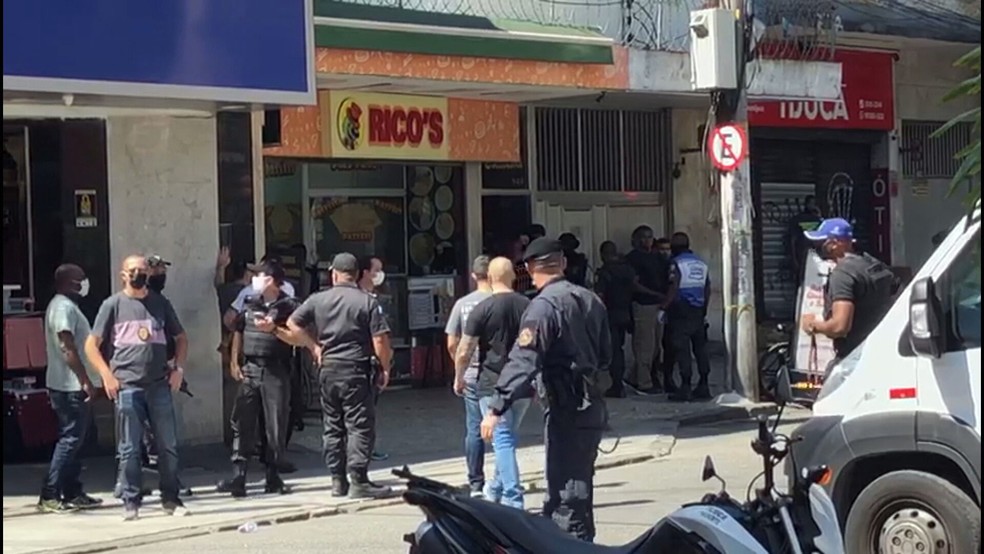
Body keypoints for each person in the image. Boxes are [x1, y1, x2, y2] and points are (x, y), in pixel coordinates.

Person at [482, 237, 611, 542]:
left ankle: (572, 547)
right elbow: (608, 354)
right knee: (578, 484)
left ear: (528, 268)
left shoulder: (543, 307)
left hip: (567, 405)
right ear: (563, 264)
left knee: (566, 493)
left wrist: (496, 406)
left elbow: (524, 360)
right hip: (592, 404)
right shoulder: (590, 299)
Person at [84, 255, 189, 521]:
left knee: (168, 445)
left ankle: (171, 498)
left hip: (159, 385)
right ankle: (131, 501)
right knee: (129, 448)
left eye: (143, 270)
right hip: (127, 386)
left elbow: (181, 338)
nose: (139, 274)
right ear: (123, 275)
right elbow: (91, 345)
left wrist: (178, 369)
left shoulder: (159, 303)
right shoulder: (113, 305)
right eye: (133, 270)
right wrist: (106, 375)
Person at [284, 253, 393, 499]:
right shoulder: (367, 302)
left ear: (333, 274)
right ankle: (358, 480)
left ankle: (337, 480)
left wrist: (314, 347)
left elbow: (292, 322)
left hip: (328, 369)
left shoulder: (318, 299)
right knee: (358, 426)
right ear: (356, 275)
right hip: (356, 368)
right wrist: (385, 367)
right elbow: (379, 340)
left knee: (333, 426)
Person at [454, 257, 532, 509]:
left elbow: (464, 349)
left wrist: (459, 377)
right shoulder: (528, 306)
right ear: (512, 276)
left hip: (491, 382)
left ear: (489, 276)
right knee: (507, 437)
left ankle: (513, 498)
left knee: (503, 439)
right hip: (521, 383)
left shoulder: (483, 308)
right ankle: (495, 488)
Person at [218, 260, 299, 497]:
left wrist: (274, 329)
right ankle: (238, 477)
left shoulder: (289, 306)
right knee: (242, 422)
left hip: (276, 370)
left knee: (274, 425)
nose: (254, 280)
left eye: (260, 276)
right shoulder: (250, 302)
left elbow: (299, 336)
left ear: (272, 280)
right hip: (251, 369)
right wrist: (234, 361)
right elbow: (238, 331)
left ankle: (272, 477)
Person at [38, 264, 103, 513]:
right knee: (70, 439)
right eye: (80, 279)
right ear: (68, 282)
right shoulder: (62, 308)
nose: (85, 283)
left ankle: (72, 491)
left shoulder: (68, 306)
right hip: (69, 385)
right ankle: (50, 493)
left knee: (78, 441)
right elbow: (67, 347)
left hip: (71, 384)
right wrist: (84, 379)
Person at [800, 218, 897, 368]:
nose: (817, 247)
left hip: (854, 358)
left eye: (821, 242)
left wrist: (812, 326)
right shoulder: (872, 264)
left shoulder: (843, 274)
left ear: (834, 243)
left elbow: (839, 327)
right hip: (882, 352)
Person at [445, 256, 494, 497]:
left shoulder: (463, 304)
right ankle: (502, 479)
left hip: (473, 373)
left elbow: (452, 341)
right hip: (499, 373)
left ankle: (476, 482)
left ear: (473, 276)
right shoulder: (500, 301)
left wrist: (459, 369)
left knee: (474, 429)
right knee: (503, 428)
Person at [666, 233, 713, 402]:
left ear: (674, 247)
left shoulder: (676, 263)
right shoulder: (701, 263)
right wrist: (704, 309)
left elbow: (674, 286)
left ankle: (685, 387)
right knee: (700, 349)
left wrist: (663, 306)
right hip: (698, 310)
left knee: (682, 349)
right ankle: (704, 385)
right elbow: (707, 288)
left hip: (681, 310)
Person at [624, 225, 670, 394]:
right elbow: (633, 284)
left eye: (650, 237)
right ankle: (644, 383)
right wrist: (655, 293)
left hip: (658, 304)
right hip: (643, 304)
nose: (647, 240)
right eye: (643, 237)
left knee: (657, 346)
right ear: (635, 240)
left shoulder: (658, 257)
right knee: (645, 346)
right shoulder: (633, 258)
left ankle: (633, 377)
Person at [358, 255, 389, 463]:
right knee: (361, 411)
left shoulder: (375, 298)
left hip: (373, 361)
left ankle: (367, 447)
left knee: (370, 410)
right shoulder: (362, 300)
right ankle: (362, 452)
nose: (380, 275)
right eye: (376, 270)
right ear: (366, 272)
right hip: (363, 361)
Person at [594, 241, 636, 398]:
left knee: (613, 351)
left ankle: (617, 385)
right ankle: (618, 384)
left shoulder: (605, 272)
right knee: (619, 350)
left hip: (610, 314)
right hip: (625, 312)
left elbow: (599, 296)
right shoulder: (627, 269)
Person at [652, 238, 677, 393]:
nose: (664, 252)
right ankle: (655, 376)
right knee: (654, 346)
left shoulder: (674, 265)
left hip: (672, 310)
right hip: (657, 306)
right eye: (661, 249)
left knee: (670, 347)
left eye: (667, 249)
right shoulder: (654, 264)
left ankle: (668, 378)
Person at [787, 195, 824, 281]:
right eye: (811, 203)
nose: (813, 206)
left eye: (814, 204)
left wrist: (819, 216)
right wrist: (794, 258)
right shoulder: (798, 219)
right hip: (802, 254)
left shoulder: (819, 220)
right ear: (806, 204)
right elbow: (793, 239)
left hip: (816, 255)